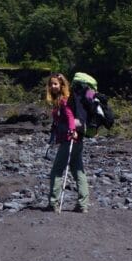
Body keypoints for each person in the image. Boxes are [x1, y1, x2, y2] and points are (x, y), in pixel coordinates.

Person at [45, 72, 89, 212]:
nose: (53, 86)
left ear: (62, 85)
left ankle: (53, 203)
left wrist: (71, 130)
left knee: (56, 171)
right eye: (51, 84)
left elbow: (70, 116)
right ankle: (83, 205)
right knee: (77, 171)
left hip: (70, 139)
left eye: (55, 84)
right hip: (77, 139)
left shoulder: (64, 100)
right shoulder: (62, 100)